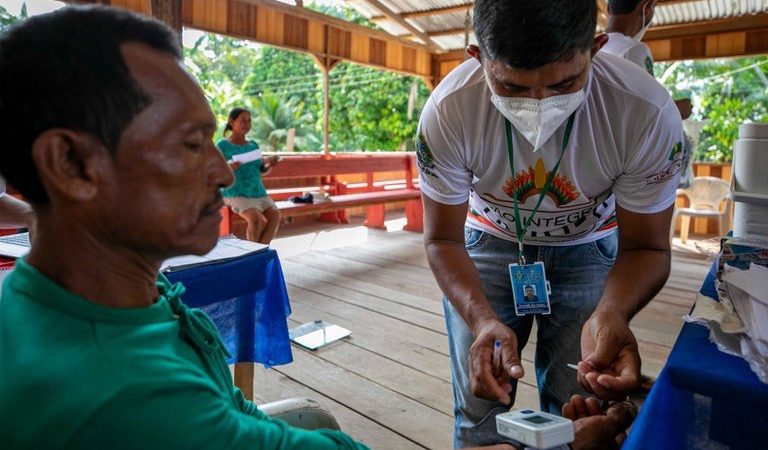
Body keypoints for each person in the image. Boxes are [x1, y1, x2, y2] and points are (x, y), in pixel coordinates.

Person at [416, 0, 683, 446]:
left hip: (590, 249)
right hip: (488, 244)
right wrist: (481, 320)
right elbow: (442, 237)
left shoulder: (645, 112)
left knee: (578, 405)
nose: (539, 105)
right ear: (476, 58)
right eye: (511, 87)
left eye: (565, 82)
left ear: (596, 49)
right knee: (480, 404)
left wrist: (613, 312)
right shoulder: (449, 111)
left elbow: (647, 248)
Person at [217, 107, 281, 244]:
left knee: (275, 215)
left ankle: (261, 251)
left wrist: (269, 164)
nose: (247, 124)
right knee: (256, 219)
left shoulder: (253, 145)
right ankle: (255, 254)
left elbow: (261, 170)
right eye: (243, 121)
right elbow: (215, 172)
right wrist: (228, 168)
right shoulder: (222, 145)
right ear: (232, 122)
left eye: (249, 121)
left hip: (258, 192)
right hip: (235, 193)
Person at [601, 0, 656, 76]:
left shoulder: (592, 47)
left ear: (609, 8)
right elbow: (649, 88)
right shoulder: (635, 49)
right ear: (648, 7)